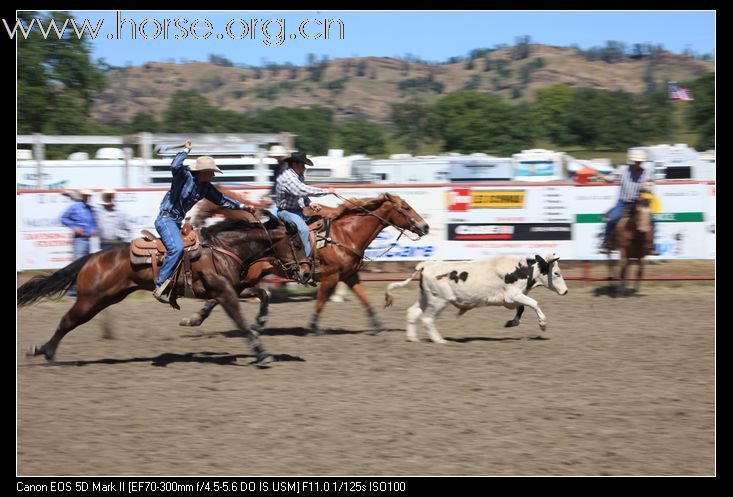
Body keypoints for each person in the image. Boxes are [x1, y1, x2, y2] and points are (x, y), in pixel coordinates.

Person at [153, 140, 256, 304]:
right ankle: (160, 286)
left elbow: (222, 200)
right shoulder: (183, 176)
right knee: (177, 248)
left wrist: (243, 206)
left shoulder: (206, 187)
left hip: (177, 222)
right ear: (202, 171)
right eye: (211, 172)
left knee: (199, 247)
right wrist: (185, 150)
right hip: (166, 219)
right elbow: (174, 166)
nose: (213, 175)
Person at [275, 151, 334, 260]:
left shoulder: (297, 176)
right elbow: (301, 190)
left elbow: (301, 195)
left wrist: (310, 203)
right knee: (304, 230)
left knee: (319, 222)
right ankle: (305, 260)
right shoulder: (288, 178)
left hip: (297, 211)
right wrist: (326, 191)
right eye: (303, 165)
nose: (305, 168)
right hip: (286, 211)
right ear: (296, 164)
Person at [599, 149, 660, 255]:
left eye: (639, 161)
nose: (637, 163)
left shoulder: (646, 173)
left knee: (652, 221)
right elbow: (610, 178)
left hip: (638, 203)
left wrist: (647, 187)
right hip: (623, 202)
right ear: (632, 161)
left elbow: (650, 187)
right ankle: (606, 243)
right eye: (636, 161)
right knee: (612, 219)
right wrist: (603, 177)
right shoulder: (622, 170)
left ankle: (652, 246)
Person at [60, 189, 100, 297]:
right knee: (78, 265)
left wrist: (95, 229)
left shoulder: (90, 209)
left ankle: (80, 289)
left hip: (87, 240)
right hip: (79, 240)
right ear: (82, 196)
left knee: (85, 265)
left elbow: (94, 224)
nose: (87, 197)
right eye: (86, 195)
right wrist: (74, 227)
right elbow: (62, 218)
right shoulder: (75, 206)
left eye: (89, 196)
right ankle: (72, 291)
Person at [265, 145, 291, 217]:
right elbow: (275, 183)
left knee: (273, 214)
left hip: (286, 197)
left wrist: (272, 193)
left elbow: (281, 183)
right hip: (280, 196)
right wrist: (270, 193)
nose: (275, 158)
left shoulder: (286, 167)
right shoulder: (278, 167)